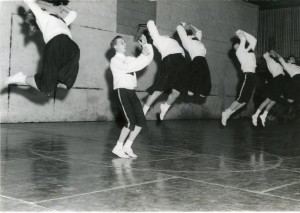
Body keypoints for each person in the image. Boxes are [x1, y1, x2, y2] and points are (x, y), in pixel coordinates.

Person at [5, 0, 80, 97]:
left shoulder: (62, 21)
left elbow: (73, 14)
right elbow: (30, 3)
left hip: (72, 48)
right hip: (56, 44)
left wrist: (63, 6)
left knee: (65, 85)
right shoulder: (42, 16)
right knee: (47, 87)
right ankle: (21, 78)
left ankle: (49, 82)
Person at [110, 34, 153, 158]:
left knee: (140, 121)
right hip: (122, 91)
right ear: (115, 46)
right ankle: (118, 147)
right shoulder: (115, 60)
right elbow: (132, 66)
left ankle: (127, 146)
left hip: (131, 92)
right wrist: (142, 56)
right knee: (130, 122)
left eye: (124, 42)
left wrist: (146, 45)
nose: (125, 44)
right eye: (121, 42)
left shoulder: (129, 58)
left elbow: (143, 62)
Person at [143, 20, 189, 120]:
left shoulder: (175, 42)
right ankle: (143, 111)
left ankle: (165, 107)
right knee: (159, 90)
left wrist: (181, 25)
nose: (168, 35)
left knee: (177, 92)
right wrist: (151, 21)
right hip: (170, 61)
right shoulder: (159, 40)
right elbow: (151, 27)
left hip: (181, 62)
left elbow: (182, 51)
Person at [221, 30, 257, 126]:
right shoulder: (240, 52)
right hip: (247, 75)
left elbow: (253, 40)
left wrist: (243, 32)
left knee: (245, 102)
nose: (236, 47)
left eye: (236, 45)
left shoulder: (248, 50)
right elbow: (243, 38)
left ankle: (228, 113)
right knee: (240, 98)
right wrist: (240, 32)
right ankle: (226, 112)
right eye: (235, 47)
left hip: (253, 76)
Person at [176, 22, 211, 98]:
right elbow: (179, 27)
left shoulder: (196, 38)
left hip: (203, 61)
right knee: (190, 91)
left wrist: (191, 25)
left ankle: (196, 90)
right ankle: (187, 89)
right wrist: (183, 24)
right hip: (196, 60)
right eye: (186, 29)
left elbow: (199, 31)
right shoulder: (185, 40)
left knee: (203, 93)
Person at [252, 52, 285, 127]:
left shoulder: (275, 63)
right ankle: (256, 115)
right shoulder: (269, 60)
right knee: (268, 100)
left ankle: (263, 115)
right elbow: (265, 54)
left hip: (280, 81)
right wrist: (271, 53)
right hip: (277, 79)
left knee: (273, 102)